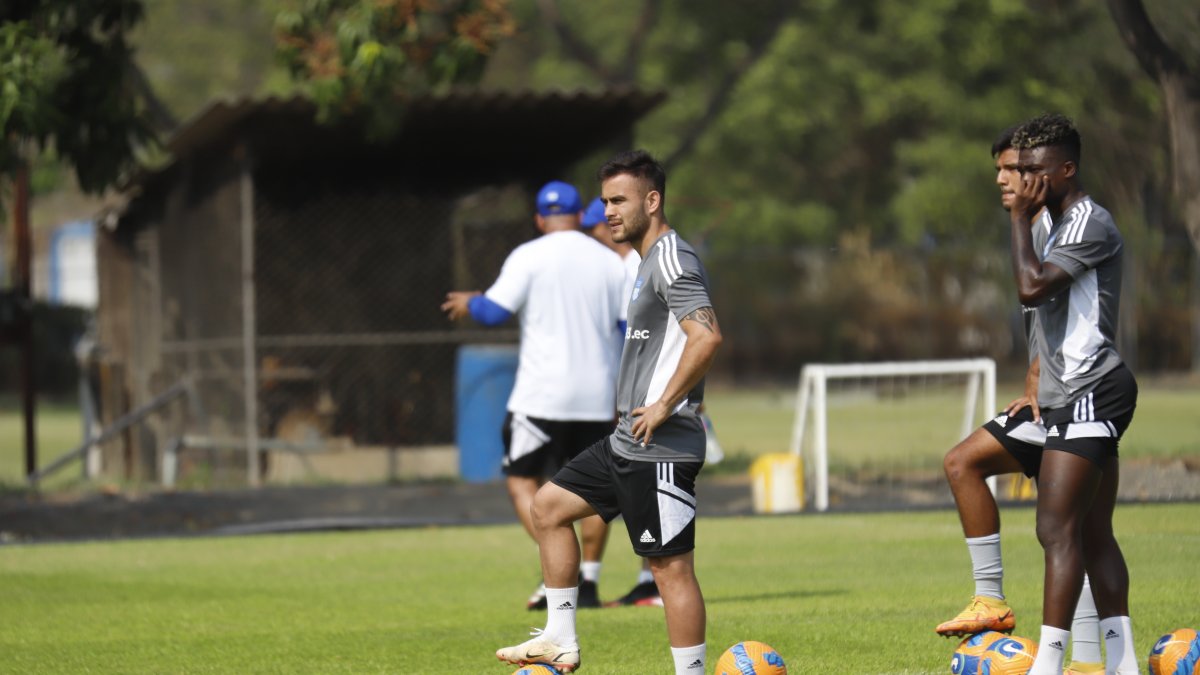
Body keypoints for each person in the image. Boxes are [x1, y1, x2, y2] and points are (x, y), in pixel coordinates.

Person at [496, 150, 722, 674]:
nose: (608, 213)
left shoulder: (671, 258)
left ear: (652, 200)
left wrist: (666, 403)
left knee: (670, 571)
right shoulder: (643, 262)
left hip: (661, 446)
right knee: (548, 508)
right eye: (603, 202)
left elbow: (706, 335)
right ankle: (559, 638)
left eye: (618, 201)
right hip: (626, 440)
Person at [938, 125, 1104, 674]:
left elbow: (1068, 314)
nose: (1005, 180)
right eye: (1001, 171)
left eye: (1014, 169)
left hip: (1081, 402)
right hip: (1045, 402)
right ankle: (992, 600)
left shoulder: (1063, 229)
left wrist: (1042, 379)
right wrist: (1032, 379)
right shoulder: (1035, 231)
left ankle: (1083, 660)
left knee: (1070, 532)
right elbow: (1048, 324)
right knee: (964, 462)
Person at [442, 180, 627, 611]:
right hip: (599, 393)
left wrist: (472, 302)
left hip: (540, 396)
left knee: (522, 480)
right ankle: (591, 579)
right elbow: (624, 329)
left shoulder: (528, 255)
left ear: (540, 219)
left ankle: (563, 570)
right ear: (581, 216)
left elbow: (494, 312)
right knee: (596, 489)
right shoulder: (608, 261)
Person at [1008, 114, 1139, 675]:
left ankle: (1049, 664)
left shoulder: (1091, 222)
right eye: (1020, 170)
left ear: (1067, 168)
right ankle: (1124, 663)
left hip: (1093, 389)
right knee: (1090, 529)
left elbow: (1031, 286)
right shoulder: (1047, 224)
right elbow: (1041, 314)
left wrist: (1017, 217)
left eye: (1036, 170)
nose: (1025, 181)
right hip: (1067, 394)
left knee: (1053, 526)